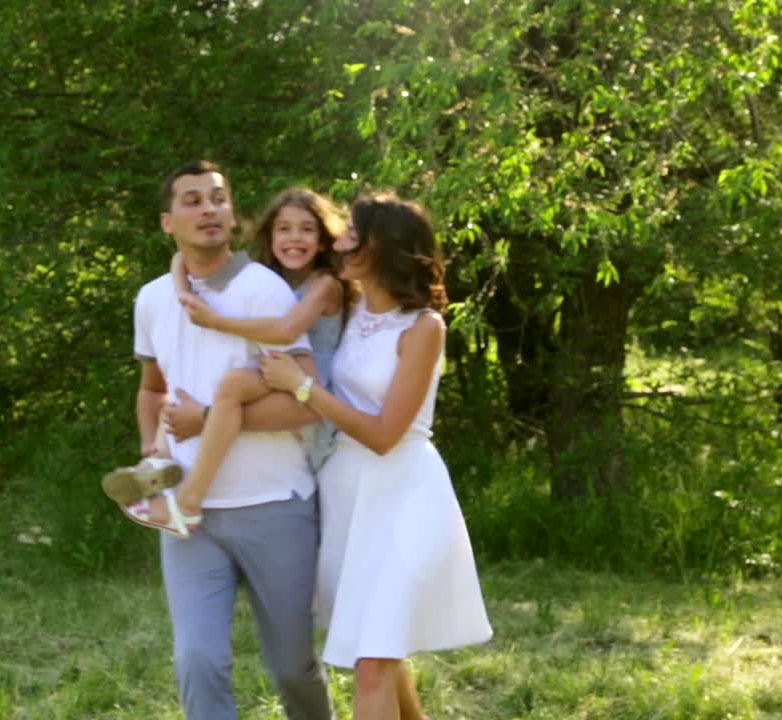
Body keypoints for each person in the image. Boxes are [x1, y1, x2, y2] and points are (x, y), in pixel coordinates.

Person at [259, 193, 493, 720]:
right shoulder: (349, 302)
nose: (337, 242)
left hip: (405, 495)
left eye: (350, 234)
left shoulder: (423, 328)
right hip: (349, 498)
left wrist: (303, 390)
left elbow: (387, 433)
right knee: (379, 651)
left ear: (380, 245)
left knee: (372, 665)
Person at [123, 161, 334, 720]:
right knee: (197, 661)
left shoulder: (262, 290)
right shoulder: (151, 300)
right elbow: (151, 389)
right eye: (192, 200)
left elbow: (302, 401)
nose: (209, 209)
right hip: (185, 515)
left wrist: (211, 417)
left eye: (218, 198)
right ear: (168, 222)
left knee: (293, 667)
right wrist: (152, 448)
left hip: (274, 506)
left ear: (233, 214)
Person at [103, 188, 349, 536]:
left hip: (312, 389)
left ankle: (188, 501)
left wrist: (214, 321)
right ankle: (158, 459)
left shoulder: (324, 284)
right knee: (196, 380)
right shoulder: (264, 280)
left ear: (323, 241)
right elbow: (183, 267)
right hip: (277, 374)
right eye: (284, 229)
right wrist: (180, 275)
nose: (295, 238)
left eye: (307, 230)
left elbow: (285, 329)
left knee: (232, 383)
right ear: (270, 236)